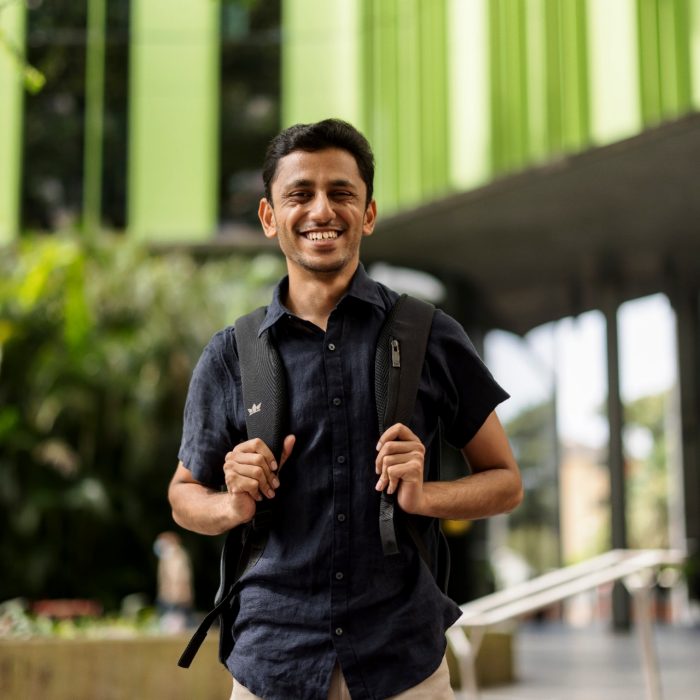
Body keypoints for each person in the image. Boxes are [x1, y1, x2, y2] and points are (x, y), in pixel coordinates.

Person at [168, 118, 522, 700]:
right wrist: (231, 504)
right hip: (271, 663)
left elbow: (506, 482)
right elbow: (183, 495)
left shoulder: (431, 334)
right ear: (269, 217)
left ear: (370, 213)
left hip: (403, 661)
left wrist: (424, 495)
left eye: (342, 193)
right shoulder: (232, 354)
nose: (321, 210)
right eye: (299, 194)